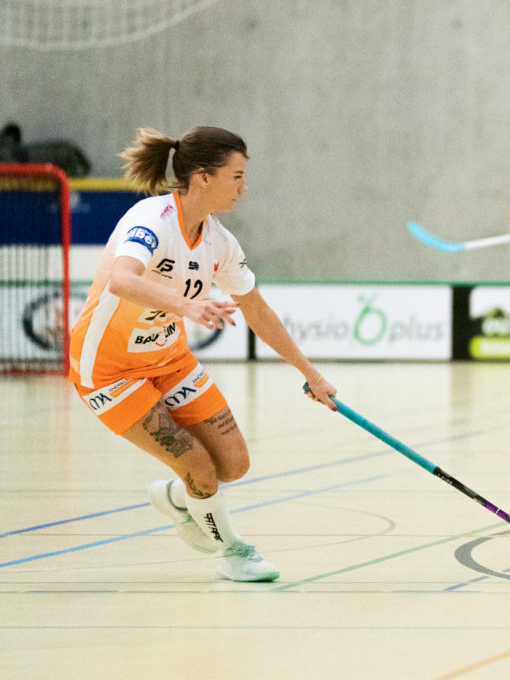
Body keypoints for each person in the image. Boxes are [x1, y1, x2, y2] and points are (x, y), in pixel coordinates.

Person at [67, 126, 338, 582]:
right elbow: (122, 280)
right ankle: (234, 553)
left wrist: (310, 373)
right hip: (109, 371)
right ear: (203, 177)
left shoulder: (219, 243)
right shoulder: (150, 220)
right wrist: (187, 304)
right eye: (236, 175)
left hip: (169, 361)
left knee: (233, 463)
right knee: (200, 468)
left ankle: (178, 497)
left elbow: (256, 310)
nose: (244, 187)